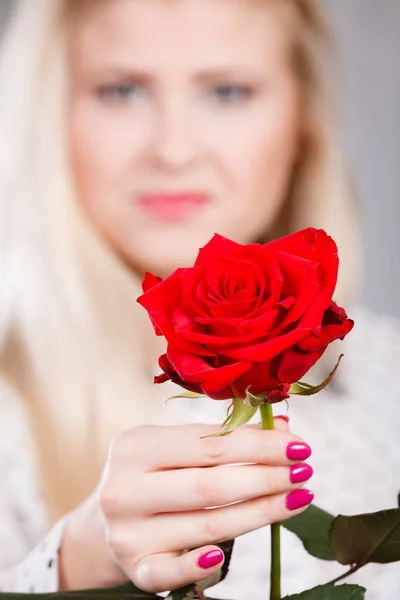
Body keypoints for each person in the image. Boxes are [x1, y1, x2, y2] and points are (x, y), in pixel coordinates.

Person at [0, 0, 399, 597]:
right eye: (123, 90)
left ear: (303, 121)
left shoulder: (388, 376)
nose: (173, 151)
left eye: (228, 92)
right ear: (49, 112)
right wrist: (73, 566)